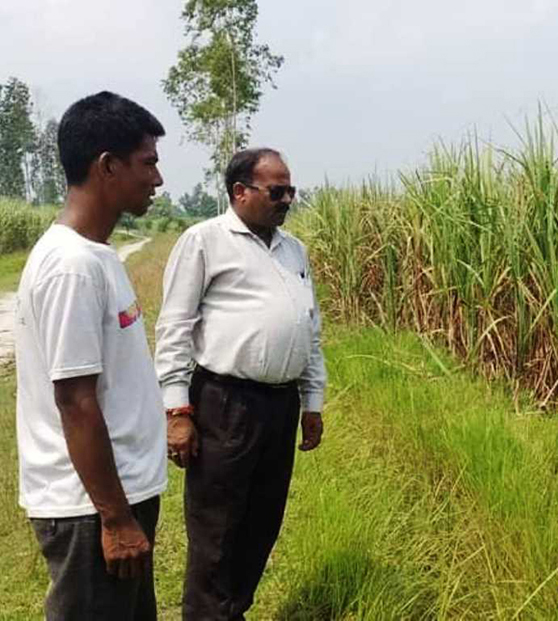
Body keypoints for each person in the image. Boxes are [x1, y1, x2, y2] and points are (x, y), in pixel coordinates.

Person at [154, 147, 327, 620]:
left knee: (261, 522)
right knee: (217, 527)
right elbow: (174, 327)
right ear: (240, 191)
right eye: (277, 190)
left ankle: (232, 610)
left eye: (291, 190)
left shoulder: (294, 251)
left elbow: (309, 330)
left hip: (280, 406)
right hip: (224, 403)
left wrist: (312, 401)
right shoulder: (205, 241)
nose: (288, 199)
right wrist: (177, 412)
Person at [15, 91, 167, 620]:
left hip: (115, 495)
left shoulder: (97, 256)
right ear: (107, 165)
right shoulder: (71, 267)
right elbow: (76, 401)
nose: (158, 178)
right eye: (147, 162)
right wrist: (115, 519)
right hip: (90, 508)